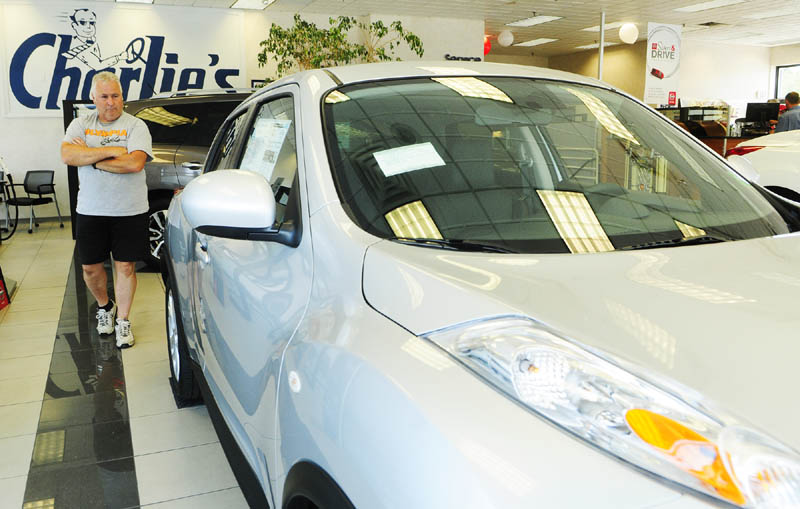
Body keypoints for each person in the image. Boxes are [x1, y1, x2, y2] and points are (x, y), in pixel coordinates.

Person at [60, 72, 153, 348]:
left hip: (130, 209)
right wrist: (114, 151)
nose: (111, 102)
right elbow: (67, 155)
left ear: (122, 96)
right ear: (93, 98)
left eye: (116, 95)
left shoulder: (136, 126)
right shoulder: (80, 124)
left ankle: (123, 320)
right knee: (90, 268)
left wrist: (91, 157)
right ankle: (105, 307)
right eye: (104, 96)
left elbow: (134, 163)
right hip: (91, 209)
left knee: (125, 266)